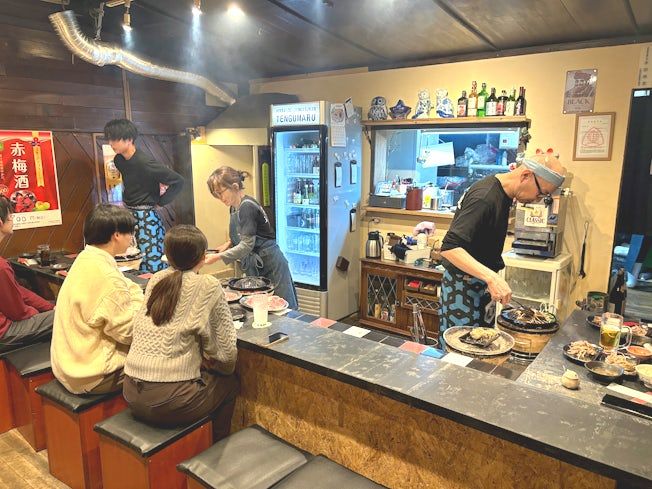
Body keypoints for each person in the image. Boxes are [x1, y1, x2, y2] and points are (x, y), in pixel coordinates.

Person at [123, 225, 238, 440]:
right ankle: (217, 449)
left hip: (130, 391)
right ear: (203, 257)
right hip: (169, 401)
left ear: (167, 256)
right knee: (229, 383)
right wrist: (217, 366)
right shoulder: (208, 285)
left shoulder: (157, 279)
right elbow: (226, 353)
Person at [439, 154, 565, 342]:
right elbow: (449, 247)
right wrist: (492, 278)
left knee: (483, 347)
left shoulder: (504, 193)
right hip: (462, 287)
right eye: (541, 193)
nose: (537, 199)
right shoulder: (485, 197)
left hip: (480, 286)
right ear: (526, 175)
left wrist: (490, 279)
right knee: (461, 351)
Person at [51, 204, 144, 394]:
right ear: (116, 235)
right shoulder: (107, 278)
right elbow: (129, 333)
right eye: (130, 232)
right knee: (165, 360)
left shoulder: (86, 258)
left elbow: (125, 285)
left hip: (68, 366)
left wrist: (131, 292)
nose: (131, 238)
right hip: (92, 376)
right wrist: (139, 299)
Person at [205, 166, 298, 309]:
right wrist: (229, 243)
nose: (220, 198)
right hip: (258, 265)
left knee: (283, 308)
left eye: (220, 193)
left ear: (235, 187)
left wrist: (218, 257)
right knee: (263, 308)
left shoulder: (247, 206)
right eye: (216, 195)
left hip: (270, 263)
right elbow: (246, 232)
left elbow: (247, 245)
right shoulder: (234, 207)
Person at [104, 119, 185, 273]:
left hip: (147, 218)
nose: (111, 143)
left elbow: (178, 181)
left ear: (129, 139)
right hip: (128, 216)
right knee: (129, 263)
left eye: (115, 139)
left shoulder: (144, 162)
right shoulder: (119, 160)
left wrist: (161, 202)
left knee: (151, 264)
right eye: (109, 139)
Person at [0, 196, 54, 353]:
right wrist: (38, 312)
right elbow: (19, 313)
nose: (13, 219)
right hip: (5, 334)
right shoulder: (2, 267)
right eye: (10, 215)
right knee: (67, 315)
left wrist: (49, 307)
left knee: (56, 307)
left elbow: (18, 290)